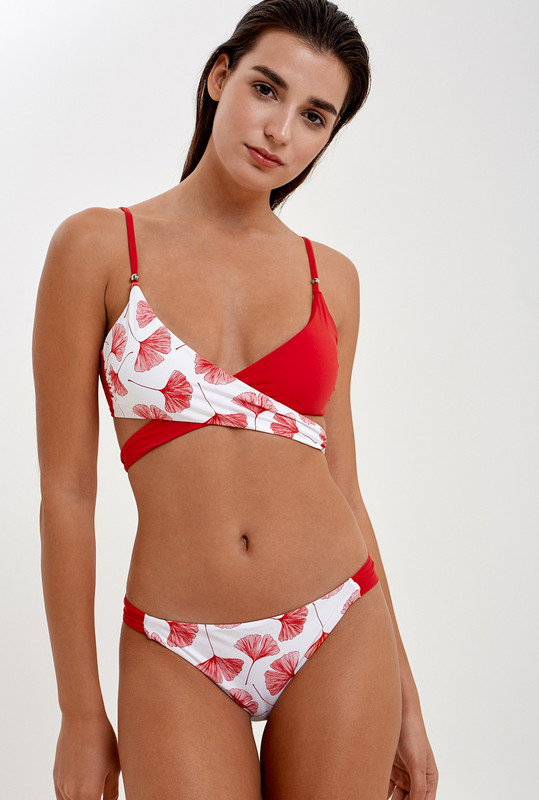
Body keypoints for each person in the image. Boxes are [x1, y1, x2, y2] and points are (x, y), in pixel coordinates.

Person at [33, 0, 439, 797]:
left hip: (338, 620)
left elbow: (344, 487)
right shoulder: (98, 246)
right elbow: (66, 493)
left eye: (314, 116)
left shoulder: (332, 278)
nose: (279, 130)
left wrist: (408, 703)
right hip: (175, 643)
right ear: (220, 76)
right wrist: (80, 715)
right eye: (265, 88)